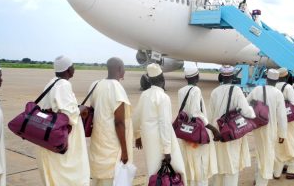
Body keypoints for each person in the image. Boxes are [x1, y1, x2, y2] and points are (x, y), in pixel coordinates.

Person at [36, 56, 90, 186]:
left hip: (49, 139)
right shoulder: (63, 85)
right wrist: (81, 109)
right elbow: (67, 114)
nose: (74, 68)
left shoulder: (52, 82)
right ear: (68, 69)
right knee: (68, 177)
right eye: (73, 66)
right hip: (62, 142)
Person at [133, 63, 186, 184]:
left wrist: (137, 136)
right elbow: (165, 125)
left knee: (153, 172)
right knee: (175, 172)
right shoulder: (163, 97)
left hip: (148, 140)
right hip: (162, 142)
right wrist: (167, 150)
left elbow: (135, 118)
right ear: (162, 78)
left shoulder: (144, 95)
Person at [88, 57, 133, 186]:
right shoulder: (116, 88)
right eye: (124, 68)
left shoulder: (95, 84)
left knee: (98, 180)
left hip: (98, 143)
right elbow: (119, 122)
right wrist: (125, 151)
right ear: (120, 69)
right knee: (111, 179)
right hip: (112, 146)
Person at [208, 65, 255, 186]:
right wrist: (252, 111)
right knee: (232, 165)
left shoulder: (215, 92)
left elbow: (210, 115)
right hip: (232, 132)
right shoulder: (237, 90)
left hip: (217, 132)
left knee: (218, 164)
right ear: (233, 76)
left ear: (221, 76)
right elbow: (246, 111)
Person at [177, 67, 219, 186]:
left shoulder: (181, 91)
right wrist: (213, 128)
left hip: (185, 131)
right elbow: (196, 113)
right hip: (196, 132)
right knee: (201, 165)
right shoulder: (196, 90)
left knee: (189, 163)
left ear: (186, 78)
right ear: (198, 76)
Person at [247, 69, 287, 186]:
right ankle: (261, 183)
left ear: (266, 79)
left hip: (257, 126)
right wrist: (282, 134)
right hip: (270, 128)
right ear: (277, 80)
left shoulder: (257, 89)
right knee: (268, 154)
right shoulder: (278, 93)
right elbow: (281, 116)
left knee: (260, 152)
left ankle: (257, 178)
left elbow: (246, 103)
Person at [273, 68, 294, 180]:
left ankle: (277, 172)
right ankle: (292, 171)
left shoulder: (273, 86)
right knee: (292, 143)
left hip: (276, 120)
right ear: (286, 76)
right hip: (288, 120)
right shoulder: (287, 87)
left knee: (279, 145)